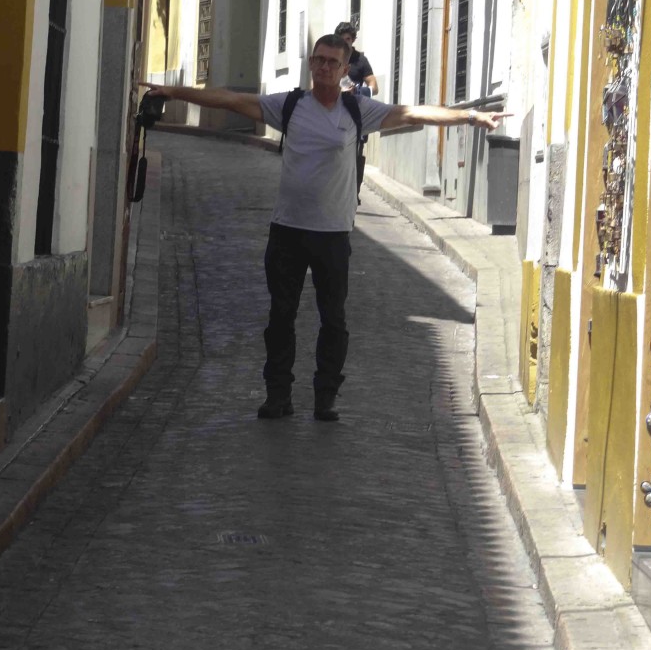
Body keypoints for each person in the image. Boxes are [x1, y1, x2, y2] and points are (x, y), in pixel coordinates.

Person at [141, 33, 507, 423]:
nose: (324, 68)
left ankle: (325, 396)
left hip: (332, 235)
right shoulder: (291, 105)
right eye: (318, 60)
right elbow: (231, 99)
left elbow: (413, 113)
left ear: (345, 69)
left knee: (333, 320)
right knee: (281, 317)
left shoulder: (357, 111)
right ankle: (277, 394)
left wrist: (471, 116)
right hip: (287, 231)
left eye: (332, 62)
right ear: (311, 64)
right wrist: (172, 91)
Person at [334, 22, 379, 96]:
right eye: (342, 39)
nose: (345, 43)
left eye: (347, 39)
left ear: (353, 40)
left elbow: (374, 88)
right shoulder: (331, 57)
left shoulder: (361, 59)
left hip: (353, 103)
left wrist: (356, 91)